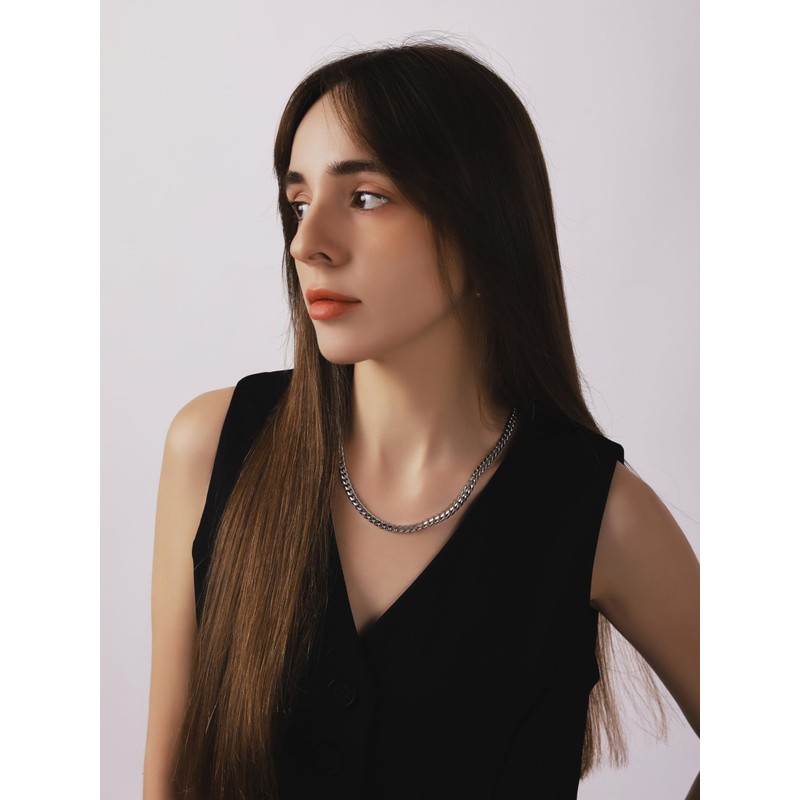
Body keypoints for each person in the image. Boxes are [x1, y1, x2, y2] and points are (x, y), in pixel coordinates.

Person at [143, 41, 699, 800]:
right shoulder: (213, 448)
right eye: (298, 203)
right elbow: (169, 784)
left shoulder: (598, 511)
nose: (307, 244)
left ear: (481, 221)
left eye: (366, 197)